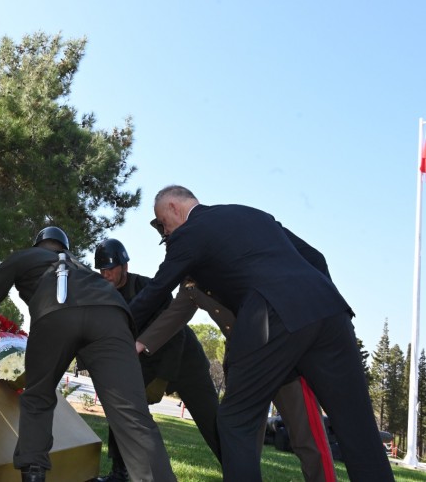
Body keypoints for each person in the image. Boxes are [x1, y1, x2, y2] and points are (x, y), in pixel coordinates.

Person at [128, 185, 393, 482]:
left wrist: (120, 327)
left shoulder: (190, 232)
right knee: (357, 425)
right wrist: (315, 305)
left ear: (174, 207)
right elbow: (315, 257)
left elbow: (157, 288)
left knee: (235, 421)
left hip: (270, 317)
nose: (166, 233)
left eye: (163, 223)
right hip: (330, 310)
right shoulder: (253, 215)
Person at [0, 227, 176, 482]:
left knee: (38, 397)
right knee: (132, 413)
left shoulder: (23, 257)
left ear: (37, 245)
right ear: (64, 247)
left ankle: (33, 473)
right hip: (113, 316)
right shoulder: (80, 267)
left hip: (56, 312)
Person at [140, 218, 336, 482]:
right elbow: (174, 316)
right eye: (168, 241)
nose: (171, 246)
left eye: (174, 237)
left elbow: (309, 260)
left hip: (283, 353)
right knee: (240, 439)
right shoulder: (190, 282)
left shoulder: (229, 254)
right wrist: (138, 345)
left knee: (307, 439)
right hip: (244, 362)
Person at [92, 238, 221, 482]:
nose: (106, 274)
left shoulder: (149, 289)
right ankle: (121, 473)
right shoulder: (102, 296)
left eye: (111, 268)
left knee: (213, 425)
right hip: (142, 365)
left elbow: (175, 333)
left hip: (184, 362)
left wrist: (162, 378)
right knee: (121, 408)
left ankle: (239, 471)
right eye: (102, 270)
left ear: (125, 266)